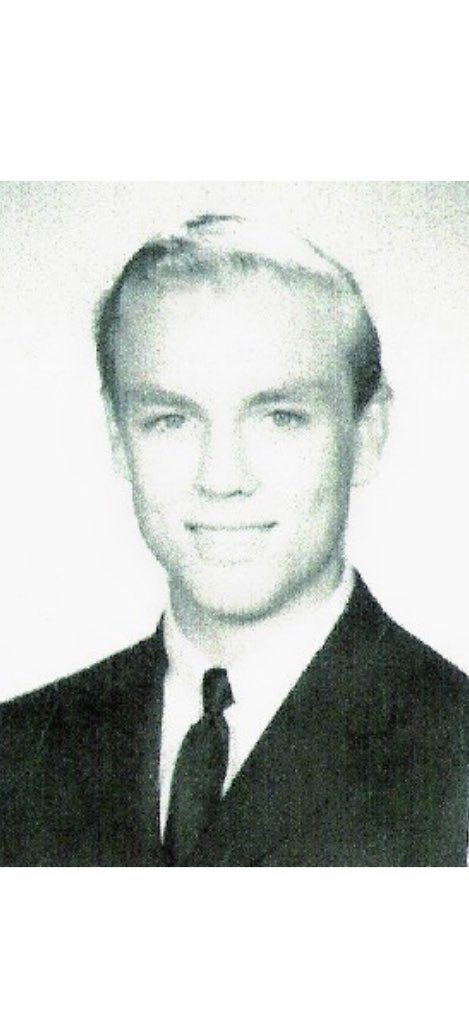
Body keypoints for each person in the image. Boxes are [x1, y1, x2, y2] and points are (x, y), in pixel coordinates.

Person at [1, 212, 469, 867]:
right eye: (170, 419)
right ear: (117, 439)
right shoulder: (18, 752)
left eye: (280, 417)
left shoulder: (453, 752)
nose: (221, 478)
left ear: (366, 434)